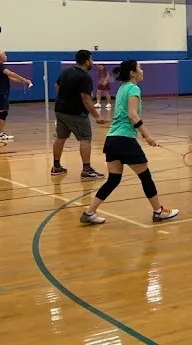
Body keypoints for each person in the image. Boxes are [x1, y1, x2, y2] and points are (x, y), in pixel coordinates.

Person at [80, 60, 179, 225]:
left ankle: (89, 213)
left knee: (113, 179)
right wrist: (147, 135)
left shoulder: (122, 88)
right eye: (139, 68)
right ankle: (158, 211)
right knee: (145, 177)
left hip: (112, 139)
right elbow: (133, 115)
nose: (142, 71)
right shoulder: (133, 88)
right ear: (132, 73)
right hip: (124, 140)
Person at [52, 49, 107, 178]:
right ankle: (87, 170)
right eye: (91, 59)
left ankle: (56, 166)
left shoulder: (66, 72)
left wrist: (66, 96)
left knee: (60, 137)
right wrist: (97, 116)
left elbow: (57, 86)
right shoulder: (84, 77)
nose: (92, 62)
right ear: (87, 61)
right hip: (76, 113)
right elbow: (85, 98)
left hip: (60, 110)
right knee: (85, 139)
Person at [0, 51, 32, 141]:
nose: (6, 56)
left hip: (0, 93)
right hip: (1, 93)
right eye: (5, 55)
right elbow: (11, 74)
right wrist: (23, 78)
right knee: (3, 113)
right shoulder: (0, 66)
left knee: (0, 112)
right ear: (1, 57)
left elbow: (11, 78)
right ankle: (0, 134)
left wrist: (23, 81)